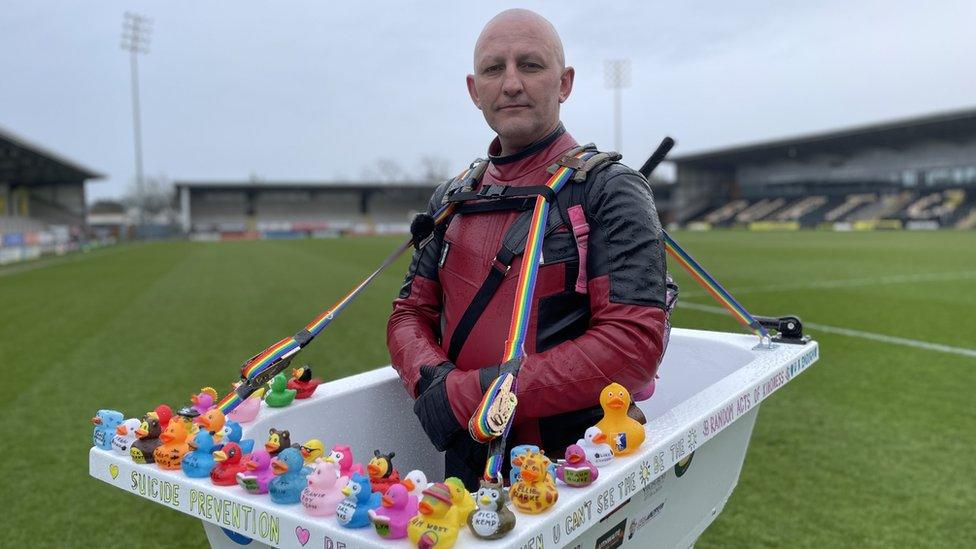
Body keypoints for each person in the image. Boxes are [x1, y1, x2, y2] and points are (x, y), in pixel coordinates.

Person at [387, 9, 668, 490]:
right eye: (494, 69)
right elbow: (408, 314)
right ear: (475, 90)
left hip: (578, 473)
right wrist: (434, 382)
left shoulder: (610, 190)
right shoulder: (451, 197)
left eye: (531, 65)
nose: (511, 83)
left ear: (565, 83)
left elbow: (633, 345)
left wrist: (469, 396)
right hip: (465, 460)